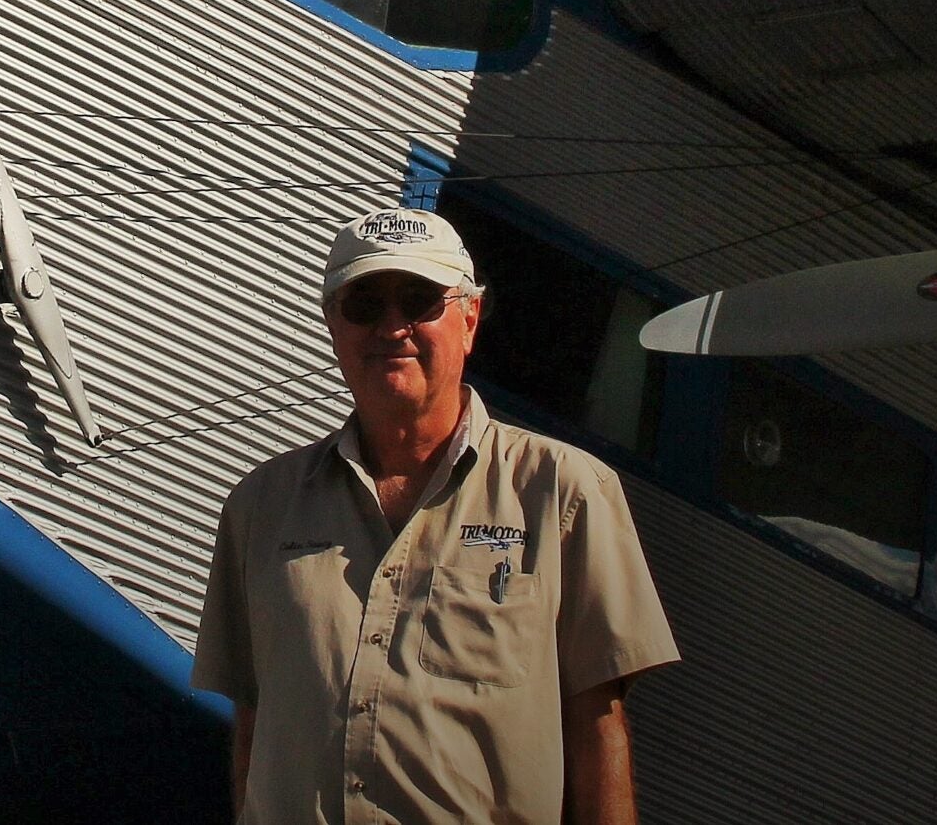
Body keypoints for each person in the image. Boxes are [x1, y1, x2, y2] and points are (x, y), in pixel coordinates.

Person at [192, 207, 679, 825]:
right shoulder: (260, 506)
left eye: (420, 301)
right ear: (333, 326)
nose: (392, 326)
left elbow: (597, 729)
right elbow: (251, 725)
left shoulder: (563, 492)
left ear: (470, 318)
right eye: (364, 304)